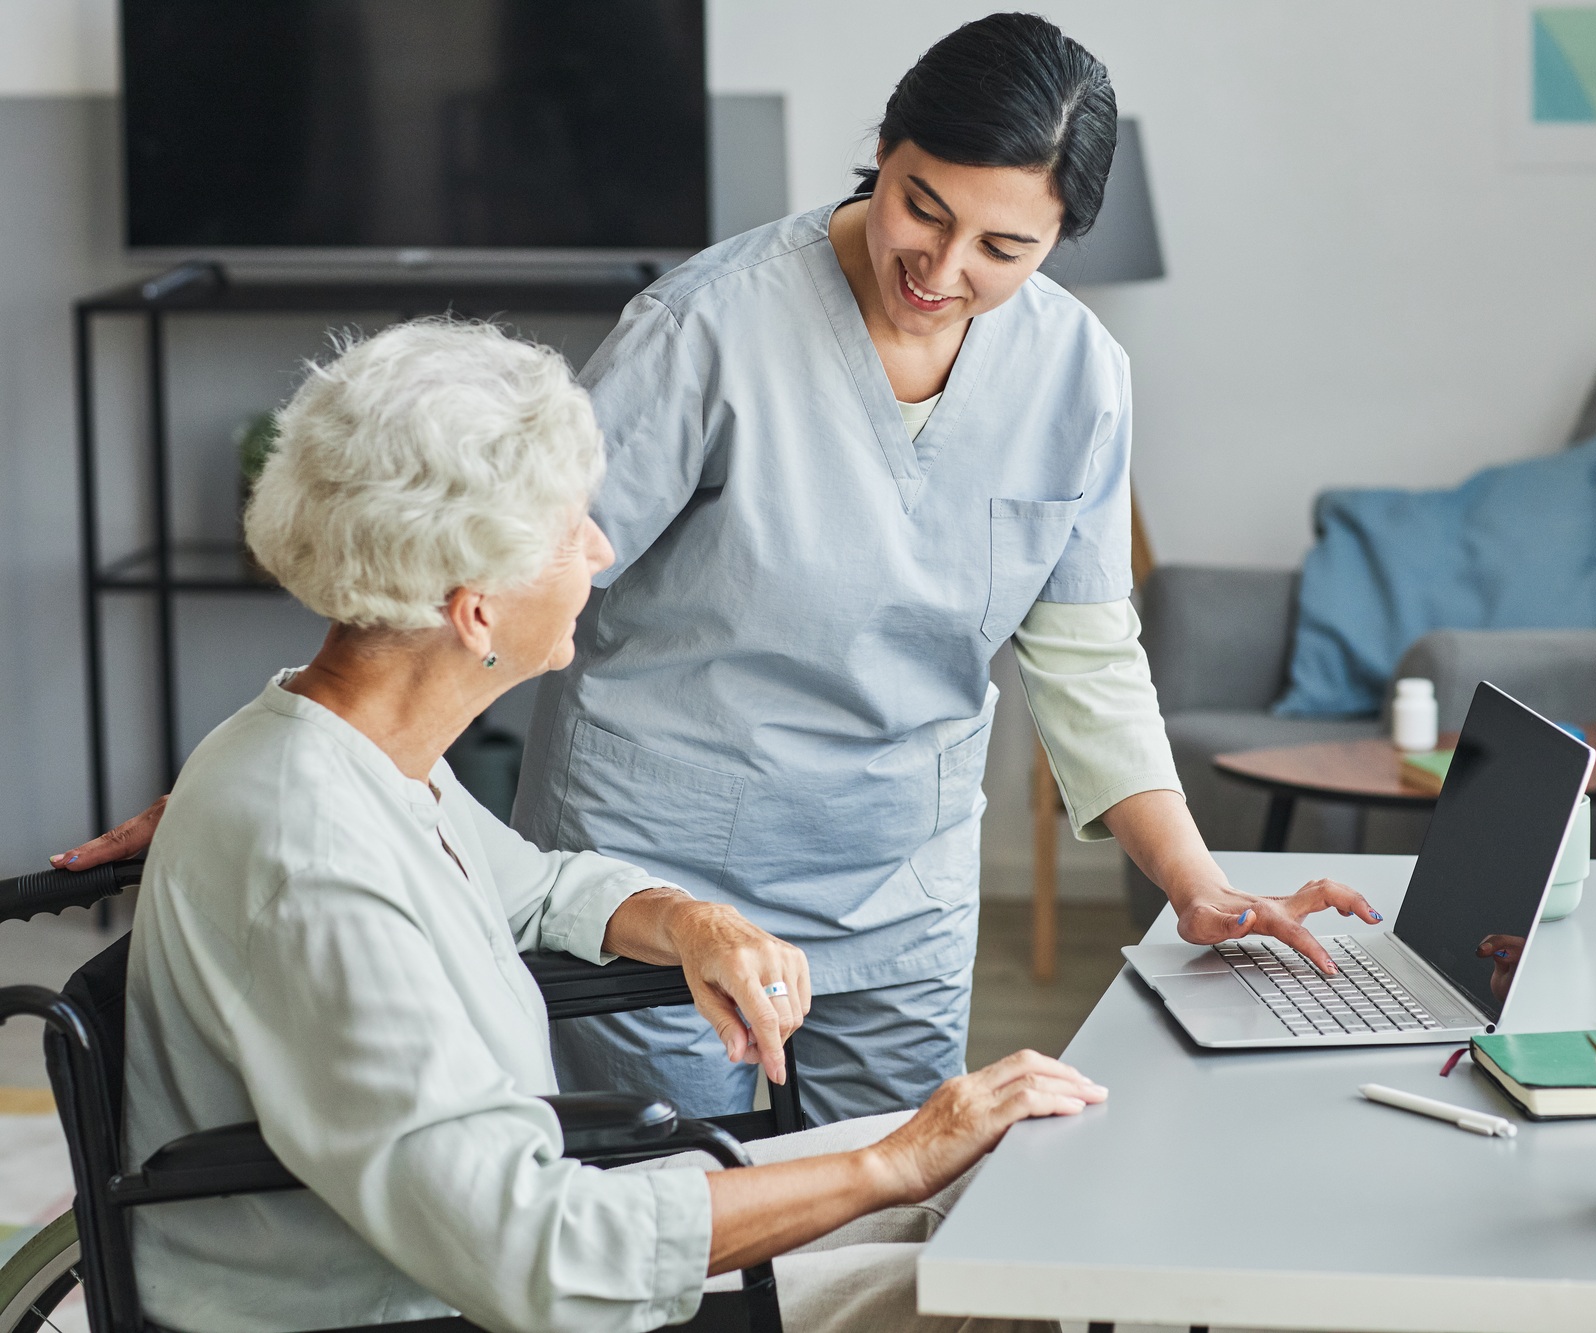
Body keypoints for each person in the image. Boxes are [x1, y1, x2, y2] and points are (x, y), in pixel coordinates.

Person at [61, 13, 1381, 1126]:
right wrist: (301, 768)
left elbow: (1086, 656)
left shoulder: (1081, 375)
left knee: (884, 1234)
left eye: (1004, 248)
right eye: (923, 205)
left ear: (1057, 243)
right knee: (674, 1235)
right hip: (656, 880)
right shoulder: (707, 329)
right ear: (883, 150)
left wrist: (1200, 884)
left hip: (900, 888)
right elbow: (492, 577)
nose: (943, 266)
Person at [122, 320, 1098, 1333]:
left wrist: (683, 919)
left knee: (986, 1181)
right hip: (424, 1302)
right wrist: (887, 1164)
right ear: (477, 611)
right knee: (1005, 1282)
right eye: (571, 524)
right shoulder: (317, 858)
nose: (599, 547)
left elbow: (534, 886)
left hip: (495, 1237)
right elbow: (536, 1253)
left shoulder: (354, 755)